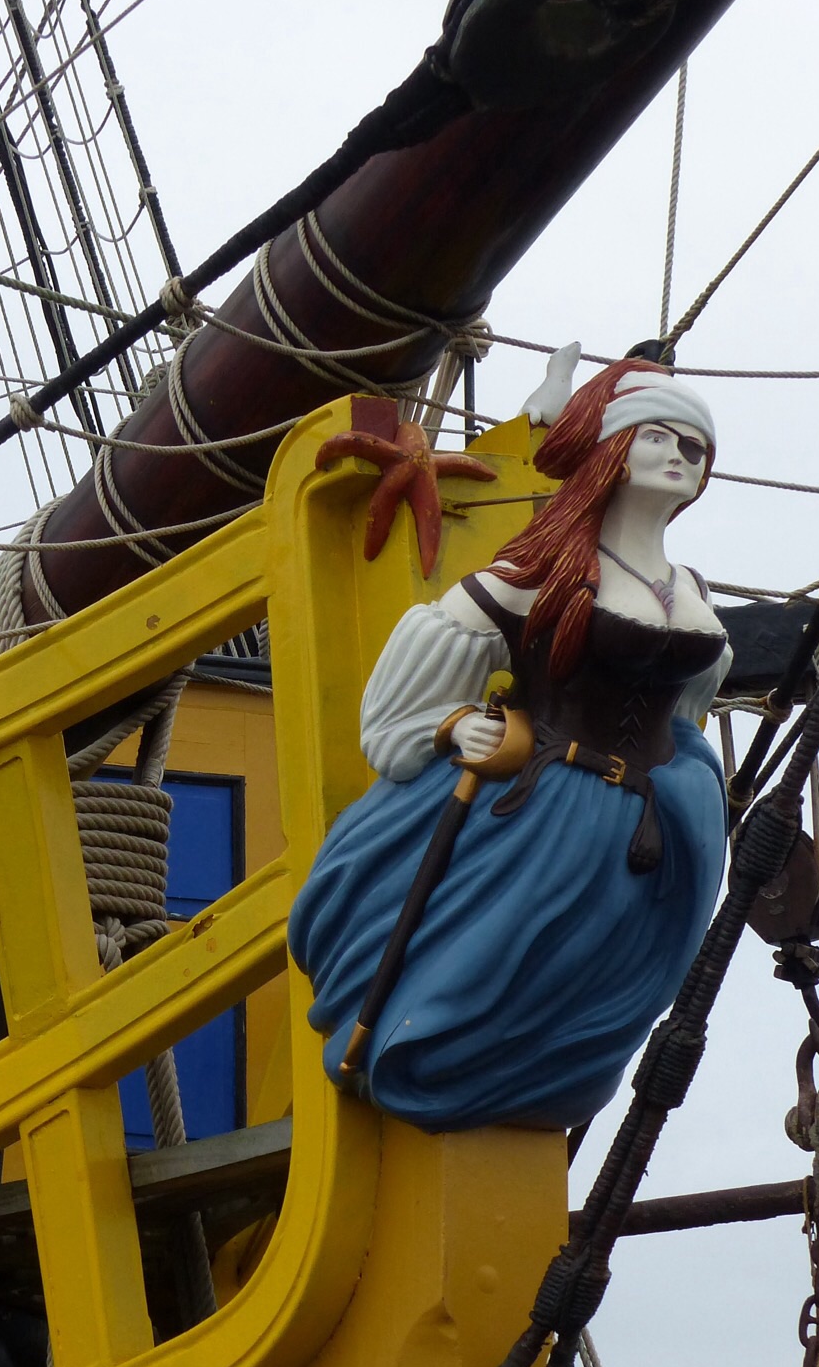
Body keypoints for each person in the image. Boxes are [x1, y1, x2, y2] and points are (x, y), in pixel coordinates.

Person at [290, 356, 733, 1132]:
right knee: (493, 975)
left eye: (693, 448)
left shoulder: (691, 590)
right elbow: (423, 660)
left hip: (657, 825)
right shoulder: (547, 571)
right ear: (610, 449)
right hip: (550, 809)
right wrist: (455, 724)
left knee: (603, 984)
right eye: (657, 436)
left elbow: (692, 705)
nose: (678, 457)